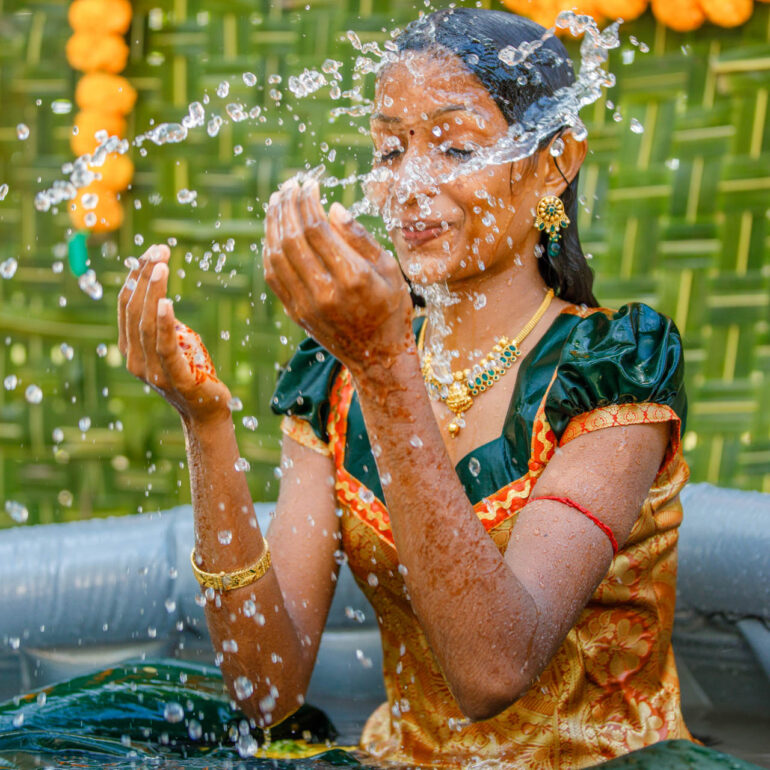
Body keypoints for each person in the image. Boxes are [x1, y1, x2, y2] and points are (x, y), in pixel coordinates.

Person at [118, 8, 693, 768]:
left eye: (455, 146)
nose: (409, 184)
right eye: (390, 149)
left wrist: (386, 366)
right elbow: (269, 689)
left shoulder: (609, 369)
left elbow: (494, 670)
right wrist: (206, 424)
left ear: (555, 162)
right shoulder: (337, 377)